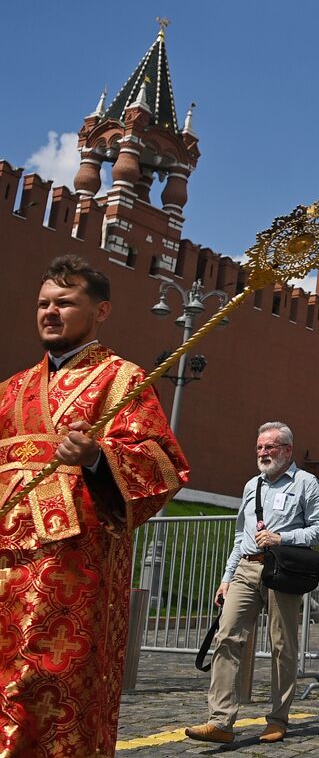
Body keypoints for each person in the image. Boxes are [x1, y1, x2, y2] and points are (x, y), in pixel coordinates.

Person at [0, 255, 189, 756]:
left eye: (65, 302)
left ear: (100, 311)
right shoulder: (12, 391)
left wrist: (96, 457)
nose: (50, 312)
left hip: (72, 568)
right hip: (5, 563)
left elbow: (162, 464)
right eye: (43, 303)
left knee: (50, 680)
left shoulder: (121, 380)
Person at [186, 422, 319, 744]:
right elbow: (241, 535)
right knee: (227, 636)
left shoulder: (306, 483)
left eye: (270, 447)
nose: (263, 453)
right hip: (247, 569)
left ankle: (278, 718)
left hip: (282, 571)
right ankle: (221, 721)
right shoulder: (252, 485)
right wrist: (226, 578)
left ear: (288, 450)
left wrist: (284, 537)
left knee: (282, 646)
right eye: (259, 448)